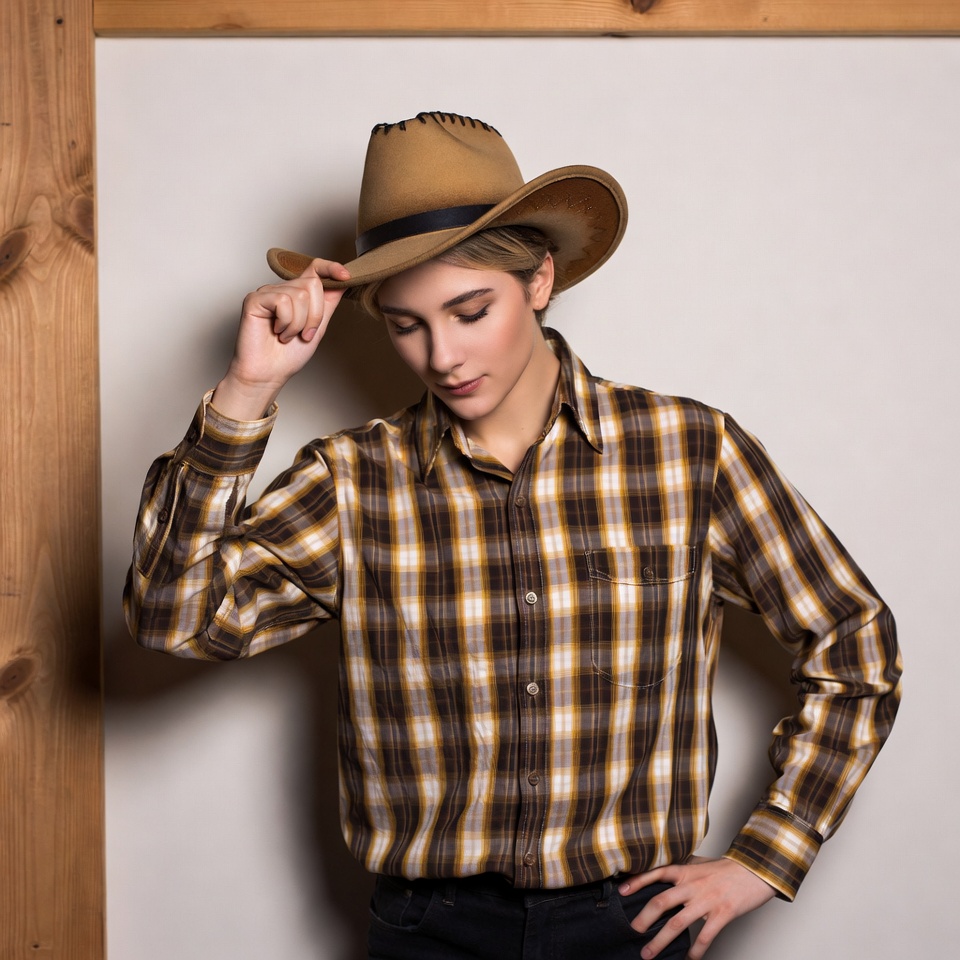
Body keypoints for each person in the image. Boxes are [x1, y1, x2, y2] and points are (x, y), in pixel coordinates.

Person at [124, 110, 901, 960]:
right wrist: (246, 390)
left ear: (538, 280)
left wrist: (767, 856)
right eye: (407, 324)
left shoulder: (688, 452)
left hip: (633, 926)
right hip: (430, 931)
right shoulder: (353, 479)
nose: (442, 356)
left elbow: (853, 637)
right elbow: (174, 618)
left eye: (470, 311)